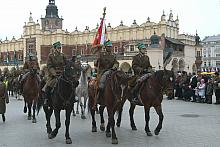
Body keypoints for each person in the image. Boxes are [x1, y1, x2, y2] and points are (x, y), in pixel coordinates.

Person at [43, 41, 68, 106]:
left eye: (60, 48)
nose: (59, 49)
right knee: (48, 85)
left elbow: (67, 63)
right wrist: (54, 73)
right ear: (55, 48)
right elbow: (49, 66)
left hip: (62, 73)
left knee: (70, 83)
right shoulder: (51, 56)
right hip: (53, 74)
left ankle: (73, 97)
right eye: (58, 48)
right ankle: (46, 99)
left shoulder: (63, 55)